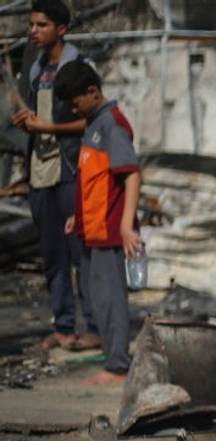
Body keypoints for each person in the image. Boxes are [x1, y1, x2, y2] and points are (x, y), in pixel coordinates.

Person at [13, 0, 97, 352]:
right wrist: (28, 124)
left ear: (61, 29)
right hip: (41, 172)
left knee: (81, 254)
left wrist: (48, 127)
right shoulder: (36, 70)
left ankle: (93, 328)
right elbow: (39, 119)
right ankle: (63, 328)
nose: (34, 31)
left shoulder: (78, 68)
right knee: (52, 256)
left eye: (42, 25)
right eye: (32, 24)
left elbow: (91, 120)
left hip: (70, 170)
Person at [54, 60, 140, 384]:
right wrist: (77, 215)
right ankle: (111, 356)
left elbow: (130, 175)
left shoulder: (112, 125)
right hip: (91, 228)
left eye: (75, 102)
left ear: (92, 91)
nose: (73, 109)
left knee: (111, 296)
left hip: (110, 229)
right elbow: (94, 180)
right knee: (95, 295)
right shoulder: (93, 124)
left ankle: (118, 365)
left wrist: (126, 226)